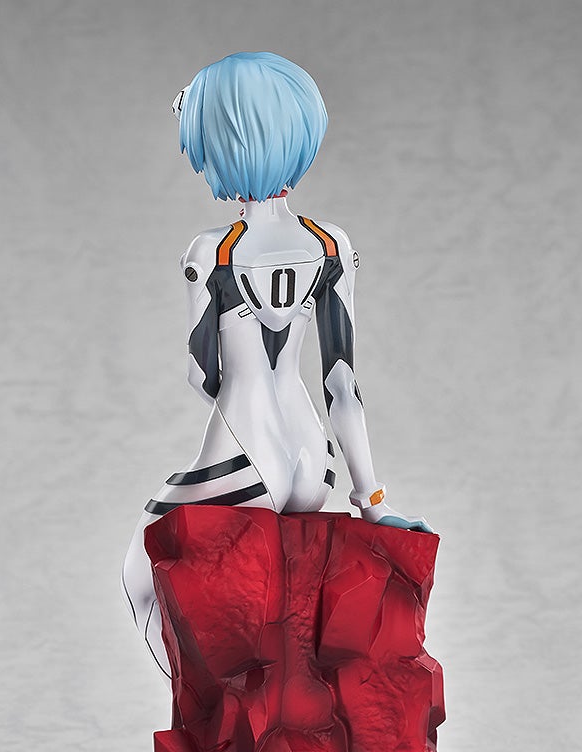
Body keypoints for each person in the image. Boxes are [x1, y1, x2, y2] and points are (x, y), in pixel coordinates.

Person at [122, 52, 431, 672]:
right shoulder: (330, 244)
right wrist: (373, 501)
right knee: (289, 608)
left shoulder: (213, 251)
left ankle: (207, 696)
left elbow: (200, 376)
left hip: (246, 452)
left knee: (142, 566)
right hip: (314, 463)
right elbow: (343, 385)